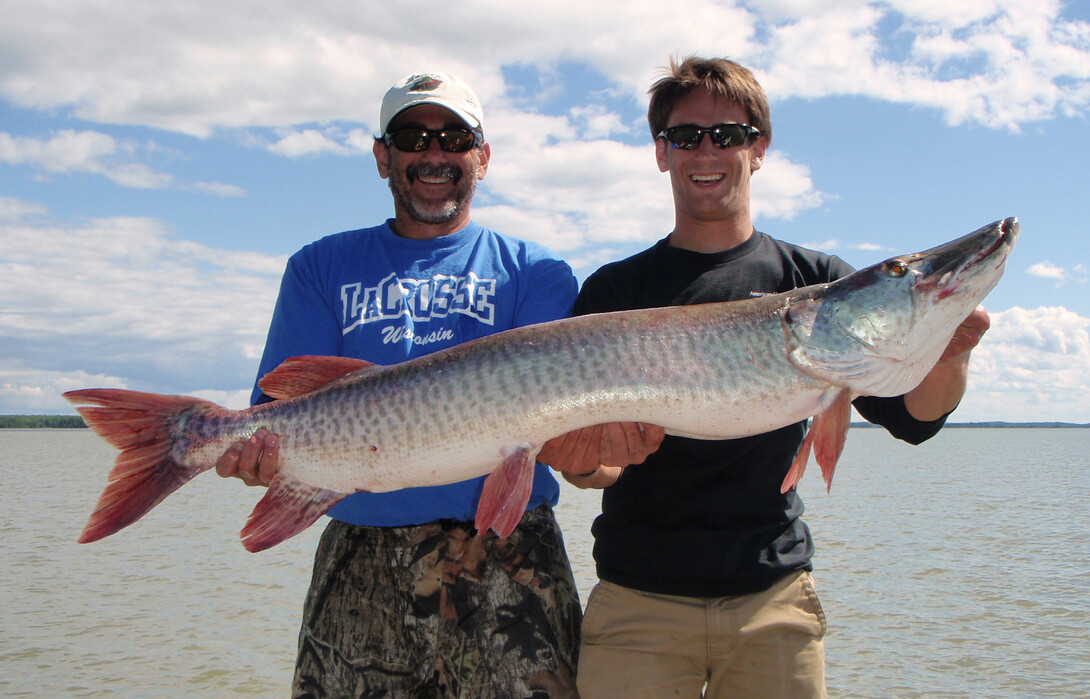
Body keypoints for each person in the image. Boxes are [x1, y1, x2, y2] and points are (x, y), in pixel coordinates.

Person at [538, 56, 991, 698]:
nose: (707, 151)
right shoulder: (616, 290)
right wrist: (581, 461)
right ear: (661, 153)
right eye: (685, 136)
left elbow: (915, 419)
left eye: (727, 134)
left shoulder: (817, 282)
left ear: (758, 148)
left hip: (774, 600)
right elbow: (595, 469)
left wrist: (951, 351)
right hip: (638, 600)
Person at [215, 71, 583, 698]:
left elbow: (550, 426)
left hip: (508, 554)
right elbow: (279, 411)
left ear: (482, 157)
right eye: (413, 136)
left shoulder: (536, 272)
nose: (434, 153)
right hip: (361, 553)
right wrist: (264, 461)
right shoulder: (317, 266)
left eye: (455, 137)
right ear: (383, 156)